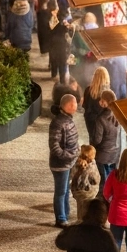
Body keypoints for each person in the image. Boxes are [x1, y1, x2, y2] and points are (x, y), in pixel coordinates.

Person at [48, 94, 80, 228]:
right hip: (61, 164)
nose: (77, 105)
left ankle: (65, 214)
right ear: (70, 105)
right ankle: (61, 218)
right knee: (61, 192)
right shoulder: (58, 122)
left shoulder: (67, 119)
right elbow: (54, 144)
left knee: (66, 190)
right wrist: (65, 155)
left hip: (68, 162)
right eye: (75, 103)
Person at [92, 90, 121, 186]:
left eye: (102, 100)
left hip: (103, 155)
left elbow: (97, 140)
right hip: (115, 154)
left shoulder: (101, 119)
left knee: (104, 184)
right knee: (113, 182)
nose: (100, 102)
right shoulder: (118, 114)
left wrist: (92, 144)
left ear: (107, 102)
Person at [69, 145, 101, 222]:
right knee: (87, 208)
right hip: (88, 191)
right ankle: (85, 222)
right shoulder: (90, 166)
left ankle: (80, 220)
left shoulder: (76, 163)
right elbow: (95, 180)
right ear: (89, 157)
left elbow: (72, 175)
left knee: (80, 207)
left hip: (78, 191)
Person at [82, 67, 110, 147]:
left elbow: (84, 105)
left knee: (92, 141)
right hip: (102, 122)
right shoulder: (107, 94)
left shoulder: (88, 90)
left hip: (89, 120)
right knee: (102, 142)